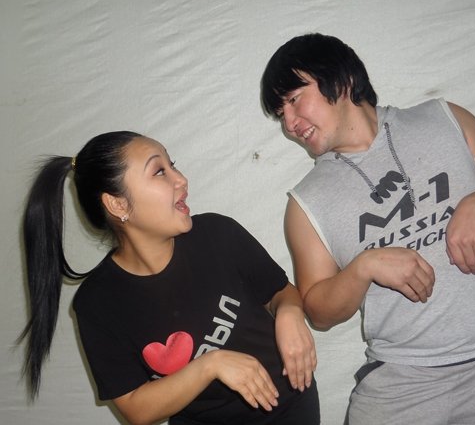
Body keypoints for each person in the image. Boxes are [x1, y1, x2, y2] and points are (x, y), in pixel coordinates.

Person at [260, 33, 475, 424]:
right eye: (281, 114)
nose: (290, 124)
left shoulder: (442, 118)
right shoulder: (305, 202)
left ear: (342, 80)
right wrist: (364, 267)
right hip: (399, 384)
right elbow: (318, 310)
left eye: (294, 100)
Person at [18, 131, 320, 424]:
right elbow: (136, 409)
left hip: (290, 406)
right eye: (159, 171)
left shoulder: (218, 234)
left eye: (172, 164)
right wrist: (211, 365)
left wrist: (290, 312)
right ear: (118, 204)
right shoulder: (97, 302)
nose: (181, 179)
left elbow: (281, 292)